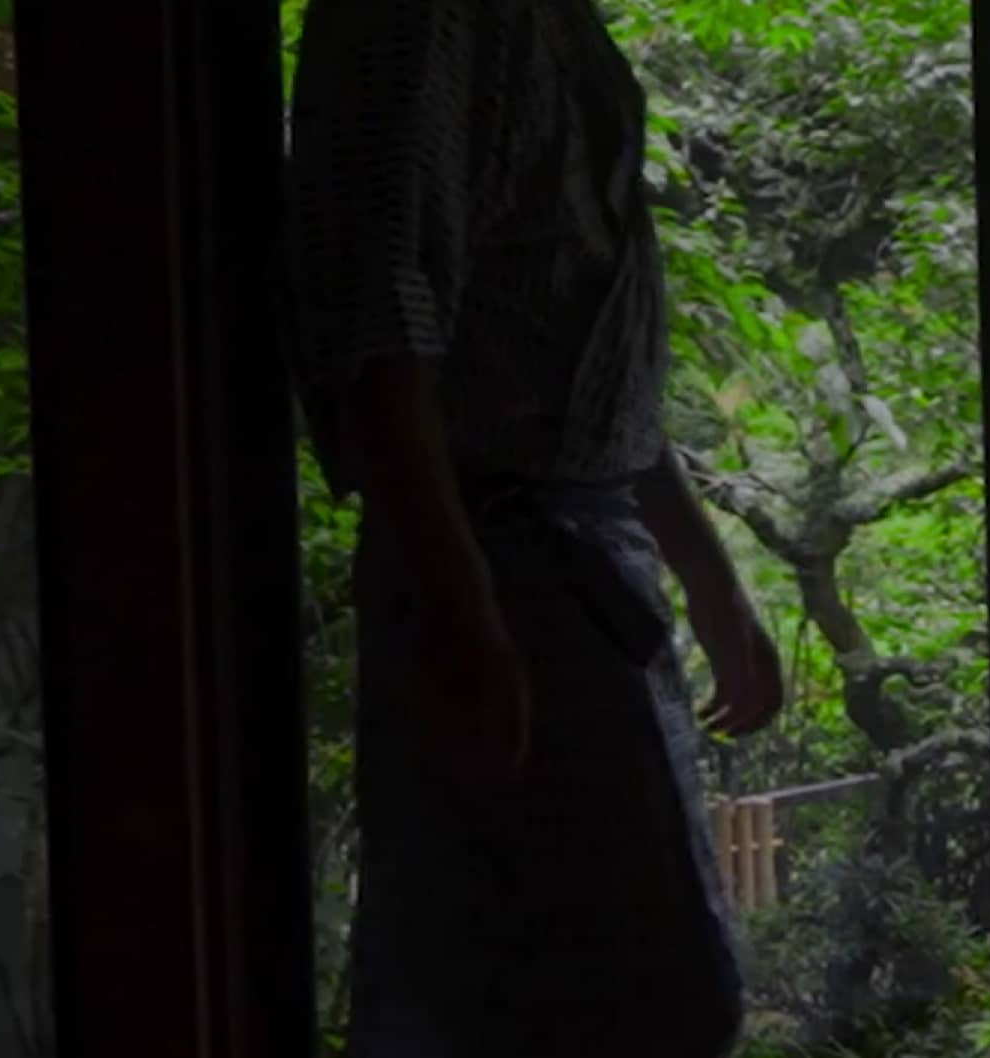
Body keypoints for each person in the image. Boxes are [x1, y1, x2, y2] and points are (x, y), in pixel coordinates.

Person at [287, 0, 784, 1054]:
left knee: (638, 989)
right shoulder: (423, 23)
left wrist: (706, 570)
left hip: (569, 563)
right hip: (503, 564)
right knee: (574, 995)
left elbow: (567, 338)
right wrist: (465, 612)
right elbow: (380, 322)